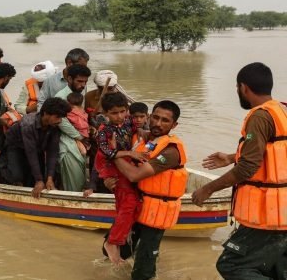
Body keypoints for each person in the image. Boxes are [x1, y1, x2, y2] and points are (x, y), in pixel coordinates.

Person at [192, 62, 287, 280]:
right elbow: (276, 150)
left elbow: (248, 166)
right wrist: (230, 157)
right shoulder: (282, 110)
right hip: (283, 212)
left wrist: (208, 189)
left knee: (231, 265)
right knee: (275, 270)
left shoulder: (260, 116)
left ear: (243, 88)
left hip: (268, 215)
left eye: (237, 88)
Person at [109, 100, 187, 280]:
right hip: (138, 204)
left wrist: (113, 153)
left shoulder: (170, 152)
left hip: (157, 212)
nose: (159, 124)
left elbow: (134, 175)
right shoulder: (146, 136)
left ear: (174, 125)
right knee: (115, 247)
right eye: (156, 118)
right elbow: (135, 129)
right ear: (149, 117)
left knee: (143, 268)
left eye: (165, 121)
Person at [92, 93, 146, 264]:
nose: (120, 116)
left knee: (133, 205)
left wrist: (143, 132)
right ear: (106, 113)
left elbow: (139, 128)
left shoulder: (129, 121)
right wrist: (130, 152)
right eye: (114, 113)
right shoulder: (104, 130)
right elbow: (107, 152)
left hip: (125, 166)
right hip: (111, 168)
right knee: (129, 203)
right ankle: (112, 243)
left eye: (123, 111)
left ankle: (121, 238)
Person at [0, 98, 72, 198]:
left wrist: (49, 178)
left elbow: (53, 152)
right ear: (46, 113)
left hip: (37, 148)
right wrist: (39, 180)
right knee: (17, 176)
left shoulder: (55, 125)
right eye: (57, 117)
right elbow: (31, 152)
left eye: (61, 118)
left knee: (39, 178)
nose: (60, 121)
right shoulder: (28, 123)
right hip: (15, 146)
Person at [54, 64, 91, 192]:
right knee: (73, 178)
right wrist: (79, 137)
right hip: (65, 141)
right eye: (79, 81)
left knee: (80, 175)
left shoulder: (78, 94)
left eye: (85, 82)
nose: (83, 85)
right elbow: (61, 121)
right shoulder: (61, 96)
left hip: (79, 140)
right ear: (69, 79)